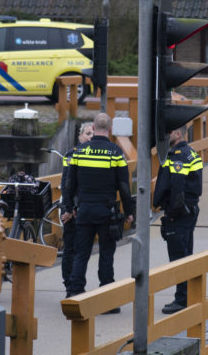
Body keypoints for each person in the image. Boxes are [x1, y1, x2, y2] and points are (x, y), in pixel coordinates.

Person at [64, 113, 134, 312]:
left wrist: (69, 208)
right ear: (110, 129)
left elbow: (70, 184)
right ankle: (105, 301)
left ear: (93, 128)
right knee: (106, 254)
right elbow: (124, 187)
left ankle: (74, 294)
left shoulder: (79, 152)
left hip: (84, 210)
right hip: (107, 212)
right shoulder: (115, 153)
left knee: (81, 254)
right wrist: (129, 211)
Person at [152, 126, 203, 314]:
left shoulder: (179, 156)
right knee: (186, 253)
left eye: (170, 131)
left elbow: (178, 190)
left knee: (178, 257)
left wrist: (171, 216)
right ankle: (187, 296)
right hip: (188, 211)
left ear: (179, 134)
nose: (167, 134)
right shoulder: (190, 153)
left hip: (180, 214)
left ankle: (182, 300)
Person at [59, 122, 94, 295]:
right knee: (70, 248)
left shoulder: (95, 154)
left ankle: (77, 284)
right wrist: (68, 208)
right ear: (80, 136)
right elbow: (66, 184)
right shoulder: (71, 154)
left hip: (84, 208)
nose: (90, 137)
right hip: (72, 207)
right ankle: (69, 285)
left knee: (81, 250)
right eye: (87, 134)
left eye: (93, 134)